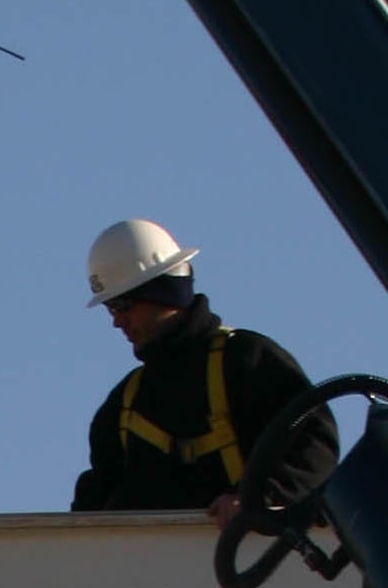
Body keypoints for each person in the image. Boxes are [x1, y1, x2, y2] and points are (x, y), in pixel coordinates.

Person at [72, 218, 338, 521]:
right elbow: (89, 517)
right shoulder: (122, 407)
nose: (116, 321)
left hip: (257, 558)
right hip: (160, 566)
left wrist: (258, 500)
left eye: (122, 305)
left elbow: (313, 446)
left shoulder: (248, 361)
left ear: (160, 292)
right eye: (110, 308)